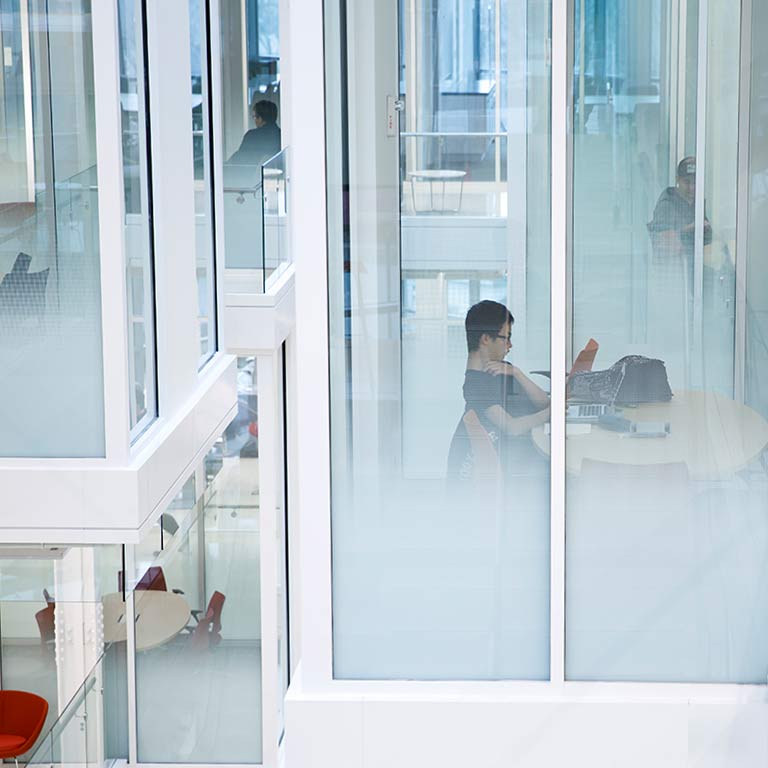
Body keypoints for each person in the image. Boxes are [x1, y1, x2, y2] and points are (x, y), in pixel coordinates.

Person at [448, 300, 550, 481]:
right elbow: (511, 427)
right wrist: (552, 414)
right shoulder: (475, 384)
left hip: (512, 462)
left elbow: (544, 403)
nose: (510, 345)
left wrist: (517, 373)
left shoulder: (501, 370)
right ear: (486, 339)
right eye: (506, 337)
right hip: (478, 476)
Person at [647, 156, 712, 266]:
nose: (691, 188)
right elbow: (662, 244)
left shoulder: (698, 204)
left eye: (695, 183)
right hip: (674, 272)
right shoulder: (666, 205)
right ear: (677, 179)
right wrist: (690, 229)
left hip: (694, 269)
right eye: (686, 182)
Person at [228, 98, 281, 167]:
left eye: (254, 117)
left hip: (251, 176)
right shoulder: (281, 136)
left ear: (260, 119)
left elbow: (238, 160)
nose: (254, 121)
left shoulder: (252, 137)